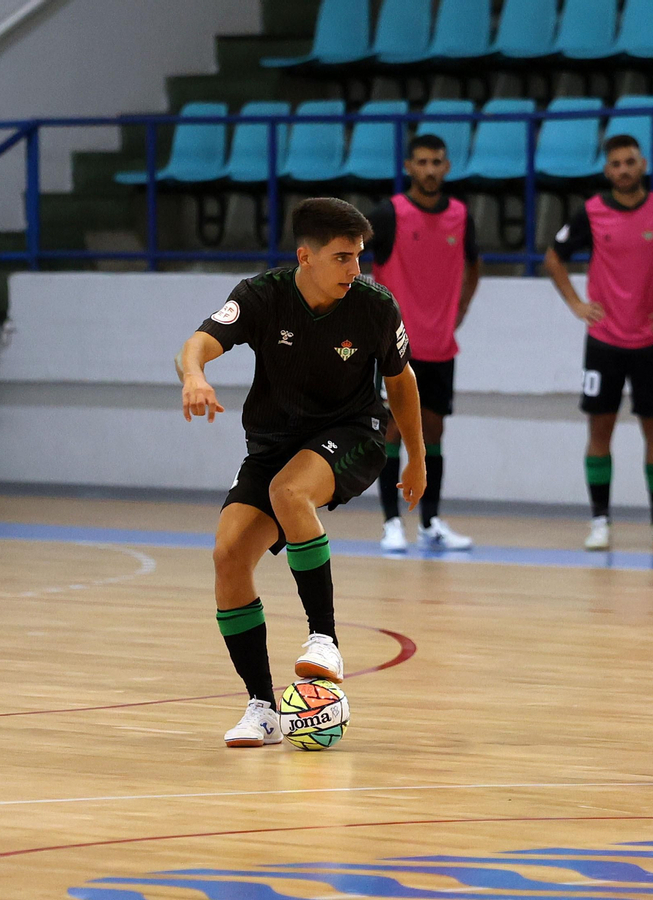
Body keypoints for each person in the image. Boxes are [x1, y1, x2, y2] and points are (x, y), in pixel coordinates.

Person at [176, 198, 425, 747]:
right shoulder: (261, 296)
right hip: (274, 445)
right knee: (228, 556)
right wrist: (195, 376)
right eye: (342, 258)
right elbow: (196, 343)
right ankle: (263, 709)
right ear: (304, 257)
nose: (354, 269)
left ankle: (325, 639)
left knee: (290, 492)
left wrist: (417, 456)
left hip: (356, 435)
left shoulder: (375, 306)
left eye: (358, 257)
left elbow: (402, 382)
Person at [546, 134, 653, 551]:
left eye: (629, 162)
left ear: (642, 166)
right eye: (615, 163)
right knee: (598, 429)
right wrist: (576, 303)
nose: (623, 169)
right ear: (607, 171)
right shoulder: (591, 212)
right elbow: (554, 256)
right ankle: (600, 521)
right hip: (603, 342)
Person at [367, 134, 482, 553]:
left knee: (433, 430)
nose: (430, 169)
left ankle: (430, 521)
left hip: (440, 346)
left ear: (447, 167)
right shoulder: (389, 215)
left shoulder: (460, 215)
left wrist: (461, 309)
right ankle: (391, 522)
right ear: (409, 167)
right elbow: (349, 257)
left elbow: (475, 263)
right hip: (395, 347)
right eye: (422, 162)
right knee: (393, 430)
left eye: (437, 161)